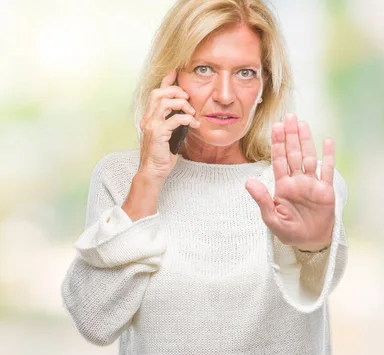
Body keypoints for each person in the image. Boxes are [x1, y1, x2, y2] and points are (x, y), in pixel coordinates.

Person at [60, 0, 349, 354]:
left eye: (245, 73)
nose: (225, 96)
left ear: (265, 87)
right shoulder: (121, 178)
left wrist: (314, 246)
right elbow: (95, 321)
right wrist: (150, 178)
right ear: (170, 78)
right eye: (203, 69)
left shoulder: (303, 186)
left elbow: (311, 289)